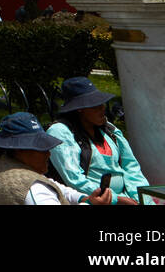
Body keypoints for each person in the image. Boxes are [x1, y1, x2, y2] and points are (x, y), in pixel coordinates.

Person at [47, 77, 150, 205]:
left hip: (127, 199)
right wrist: (116, 200)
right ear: (80, 109)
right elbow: (74, 179)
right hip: (92, 200)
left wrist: (141, 198)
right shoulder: (60, 132)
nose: (102, 109)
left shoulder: (110, 130)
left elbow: (131, 167)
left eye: (101, 104)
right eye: (95, 106)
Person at [0, 112, 113, 205]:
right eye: (41, 148)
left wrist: (83, 198)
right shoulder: (34, 189)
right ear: (20, 149)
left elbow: (52, 184)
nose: (48, 154)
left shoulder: (0, 163)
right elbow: (40, 188)